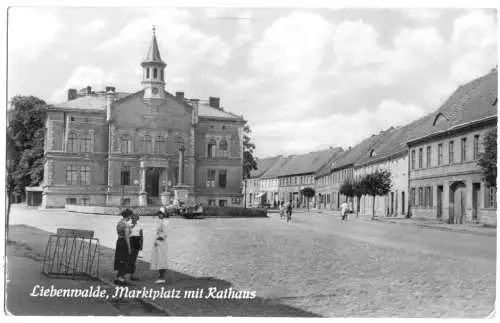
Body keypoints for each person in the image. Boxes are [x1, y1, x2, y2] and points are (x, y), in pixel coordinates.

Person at [114, 208, 133, 285]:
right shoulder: (126, 224)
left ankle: (118, 277)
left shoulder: (119, 223)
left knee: (120, 259)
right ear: (128, 216)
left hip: (119, 241)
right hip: (124, 242)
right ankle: (121, 278)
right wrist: (129, 248)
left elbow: (120, 234)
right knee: (124, 260)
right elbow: (127, 237)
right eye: (130, 216)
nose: (130, 218)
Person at [151, 207, 169, 284]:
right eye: (159, 214)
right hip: (158, 243)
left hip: (161, 243)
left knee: (161, 259)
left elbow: (165, 234)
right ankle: (160, 276)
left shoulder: (164, 222)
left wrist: (159, 238)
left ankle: (162, 277)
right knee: (158, 259)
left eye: (161, 214)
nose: (159, 215)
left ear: (163, 215)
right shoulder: (161, 221)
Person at [127, 214, 143, 281]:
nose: (134, 219)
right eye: (133, 218)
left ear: (137, 219)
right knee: (129, 259)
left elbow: (141, 236)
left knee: (133, 260)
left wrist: (141, 245)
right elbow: (126, 235)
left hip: (137, 242)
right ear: (131, 218)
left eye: (136, 218)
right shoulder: (128, 225)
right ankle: (127, 275)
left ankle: (131, 275)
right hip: (130, 241)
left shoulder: (140, 226)